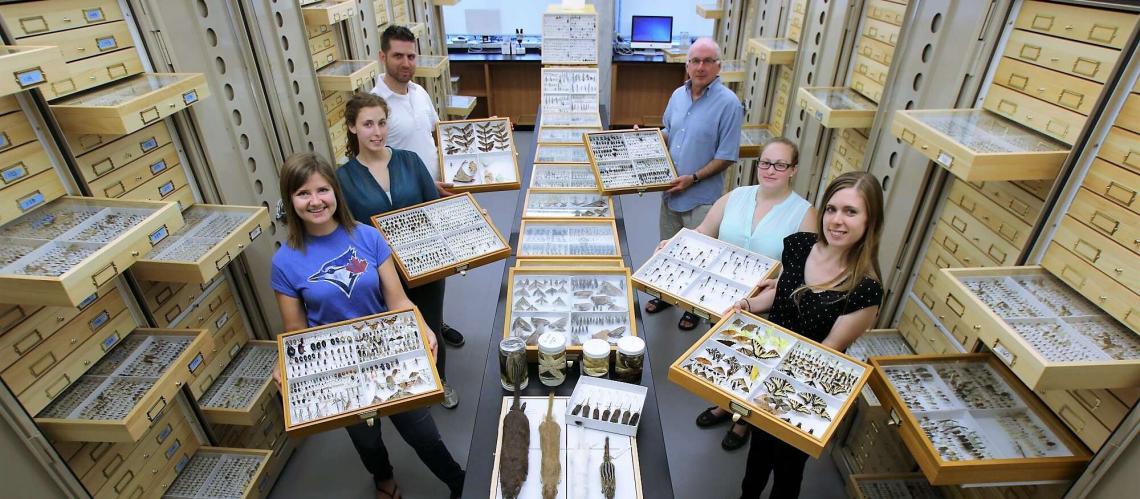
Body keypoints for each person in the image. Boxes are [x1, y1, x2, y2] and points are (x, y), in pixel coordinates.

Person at [270, 152, 465, 499]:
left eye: (322, 190)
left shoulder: (368, 237)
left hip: (388, 351)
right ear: (290, 200)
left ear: (335, 192)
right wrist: (284, 363)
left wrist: (421, 325)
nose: (315, 201)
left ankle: (457, 480)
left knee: (423, 432)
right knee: (365, 438)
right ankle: (384, 480)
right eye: (303, 194)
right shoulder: (284, 262)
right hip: (338, 369)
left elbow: (398, 300)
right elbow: (296, 331)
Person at [732, 171, 885, 498]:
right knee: (757, 456)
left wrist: (772, 385)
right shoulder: (800, 245)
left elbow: (828, 349)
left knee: (787, 469)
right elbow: (784, 291)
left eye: (851, 212)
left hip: (804, 388)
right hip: (767, 367)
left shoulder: (865, 290)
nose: (837, 220)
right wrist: (747, 304)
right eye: (831, 209)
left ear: (870, 221)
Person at [674, 138, 817, 451]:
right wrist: (673, 246)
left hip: (766, 310)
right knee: (725, 357)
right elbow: (702, 233)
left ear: (793, 170)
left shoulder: (804, 214)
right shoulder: (736, 197)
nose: (770, 170)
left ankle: (744, 422)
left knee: (754, 366)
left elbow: (804, 273)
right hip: (722, 301)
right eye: (765, 162)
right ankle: (724, 406)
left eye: (780, 164)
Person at [334, 91, 460, 409]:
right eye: (367, 125)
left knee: (430, 320)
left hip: (425, 263)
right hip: (378, 272)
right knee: (393, 330)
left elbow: (433, 210)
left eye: (381, 123)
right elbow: (347, 232)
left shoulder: (409, 161)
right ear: (352, 128)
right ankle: (403, 385)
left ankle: (439, 381)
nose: (376, 132)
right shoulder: (343, 179)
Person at [371, 25, 466, 382]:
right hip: (403, 210)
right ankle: (422, 353)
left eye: (411, 55)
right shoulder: (376, 105)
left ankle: (436, 322)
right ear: (383, 57)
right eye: (398, 55)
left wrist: (442, 178)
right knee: (407, 280)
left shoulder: (419, 92)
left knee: (436, 270)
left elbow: (432, 138)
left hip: (432, 197)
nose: (406, 62)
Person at [646, 36, 744, 331]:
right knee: (669, 247)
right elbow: (668, 132)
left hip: (702, 197)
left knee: (700, 254)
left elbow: (727, 156)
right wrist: (643, 140)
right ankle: (665, 294)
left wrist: (693, 178)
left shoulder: (729, 104)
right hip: (670, 192)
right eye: (695, 61)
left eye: (707, 61)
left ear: (718, 66)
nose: (701, 67)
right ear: (687, 65)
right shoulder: (678, 95)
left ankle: (694, 308)